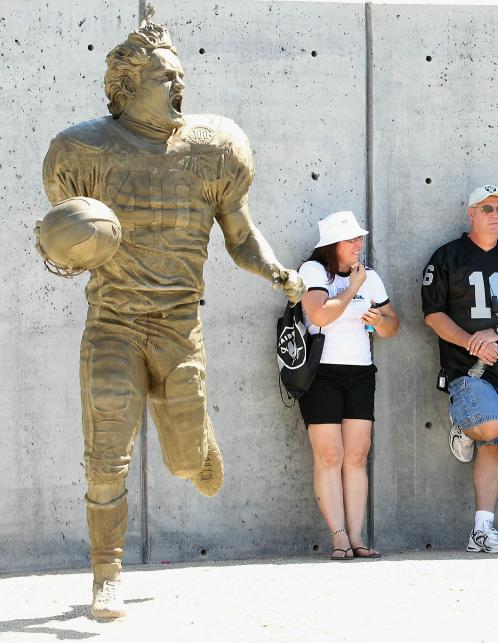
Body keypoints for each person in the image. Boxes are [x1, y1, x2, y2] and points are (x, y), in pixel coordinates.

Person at [40, 21, 304, 617]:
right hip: (113, 319)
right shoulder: (82, 150)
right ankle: (106, 574)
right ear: (128, 85)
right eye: (165, 75)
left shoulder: (213, 148)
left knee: (186, 462)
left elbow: (239, 233)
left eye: (182, 73)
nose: (178, 82)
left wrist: (278, 273)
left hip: (178, 324)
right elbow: (60, 232)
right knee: (107, 440)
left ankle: (196, 443)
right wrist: (61, 250)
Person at [421, 184, 498, 553]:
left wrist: (496, 332)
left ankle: (482, 530)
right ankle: (463, 423)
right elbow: (433, 316)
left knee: (493, 444)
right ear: (470, 213)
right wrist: (472, 342)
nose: (494, 216)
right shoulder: (447, 257)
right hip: (466, 369)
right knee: (489, 424)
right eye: (486, 208)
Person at [298, 210, 399, 559]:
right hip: (321, 373)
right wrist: (353, 289)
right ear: (332, 245)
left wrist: (378, 321)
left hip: (360, 372)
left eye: (360, 238)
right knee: (330, 455)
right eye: (351, 239)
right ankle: (338, 536)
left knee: (356, 455)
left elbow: (392, 326)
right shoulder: (313, 272)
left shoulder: (370, 276)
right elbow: (319, 315)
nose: (359, 244)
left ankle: (357, 537)